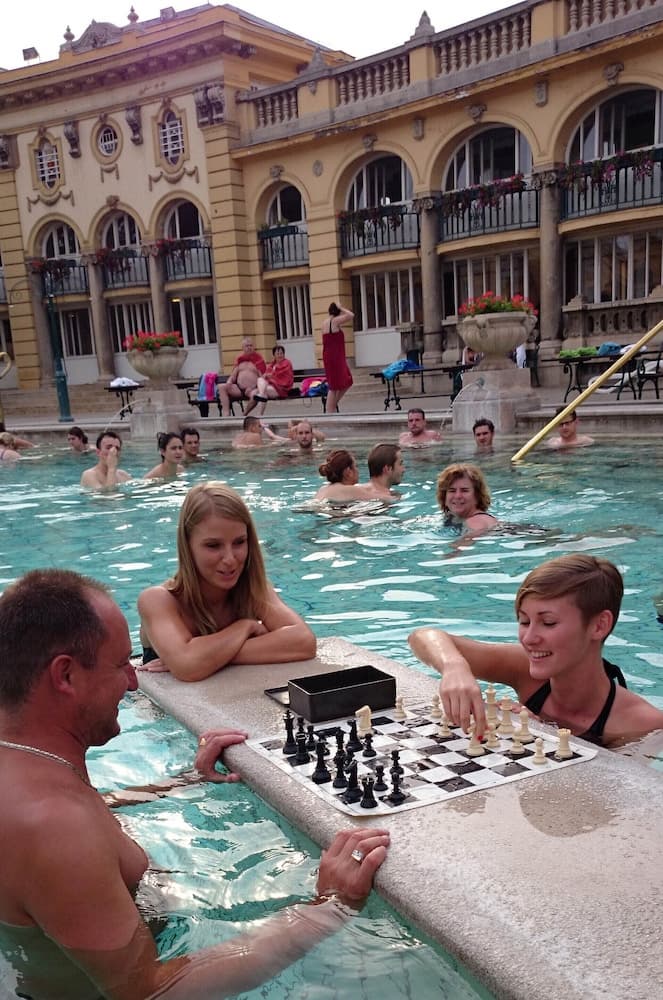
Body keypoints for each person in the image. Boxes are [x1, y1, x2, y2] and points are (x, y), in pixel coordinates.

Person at [0, 568, 389, 1000]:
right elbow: (150, 993)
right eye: (120, 664)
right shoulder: (54, 826)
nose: (134, 681)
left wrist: (185, 781)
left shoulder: (26, 768)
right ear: (66, 676)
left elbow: (87, 817)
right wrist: (329, 908)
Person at [408, 554, 663, 747]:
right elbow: (423, 636)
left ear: (599, 625)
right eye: (524, 621)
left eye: (548, 623)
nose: (529, 639)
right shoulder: (524, 670)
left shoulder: (644, 724)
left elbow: (613, 795)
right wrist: (454, 666)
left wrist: (544, 735)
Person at [137, 482, 317, 680]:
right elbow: (187, 665)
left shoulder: (252, 589)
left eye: (239, 542)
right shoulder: (159, 600)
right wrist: (245, 626)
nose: (230, 559)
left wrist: (212, 657)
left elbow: (304, 641)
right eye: (213, 545)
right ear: (187, 546)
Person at [436, 463, 497, 536]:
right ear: (444, 497)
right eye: (452, 491)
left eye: (464, 490)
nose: (458, 496)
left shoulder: (477, 520)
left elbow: (466, 541)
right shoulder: (452, 517)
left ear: (477, 496)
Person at [218, 337, 267, 417]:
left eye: (251, 345)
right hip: (239, 389)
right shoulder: (240, 360)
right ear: (243, 348)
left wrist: (254, 387)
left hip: (252, 389)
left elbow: (262, 378)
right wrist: (229, 381)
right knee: (221, 387)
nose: (249, 347)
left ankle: (244, 414)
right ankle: (226, 414)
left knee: (256, 395)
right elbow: (233, 376)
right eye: (247, 346)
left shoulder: (258, 360)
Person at [322, 302, 354, 414]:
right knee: (334, 385)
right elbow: (351, 315)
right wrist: (342, 308)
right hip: (335, 357)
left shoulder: (325, 322)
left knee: (346, 381)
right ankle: (329, 410)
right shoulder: (334, 321)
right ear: (338, 311)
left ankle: (332, 406)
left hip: (331, 356)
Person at [245, 344, 294, 415]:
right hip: (269, 387)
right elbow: (265, 377)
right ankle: (258, 412)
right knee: (260, 380)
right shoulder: (271, 365)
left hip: (280, 389)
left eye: (281, 353)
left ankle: (256, 413)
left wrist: (270, 377)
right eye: (278, 353)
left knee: (258, 392)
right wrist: (266, 376)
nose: (280, 355)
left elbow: (283, 377)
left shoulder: (287, 363)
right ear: (274, 355)